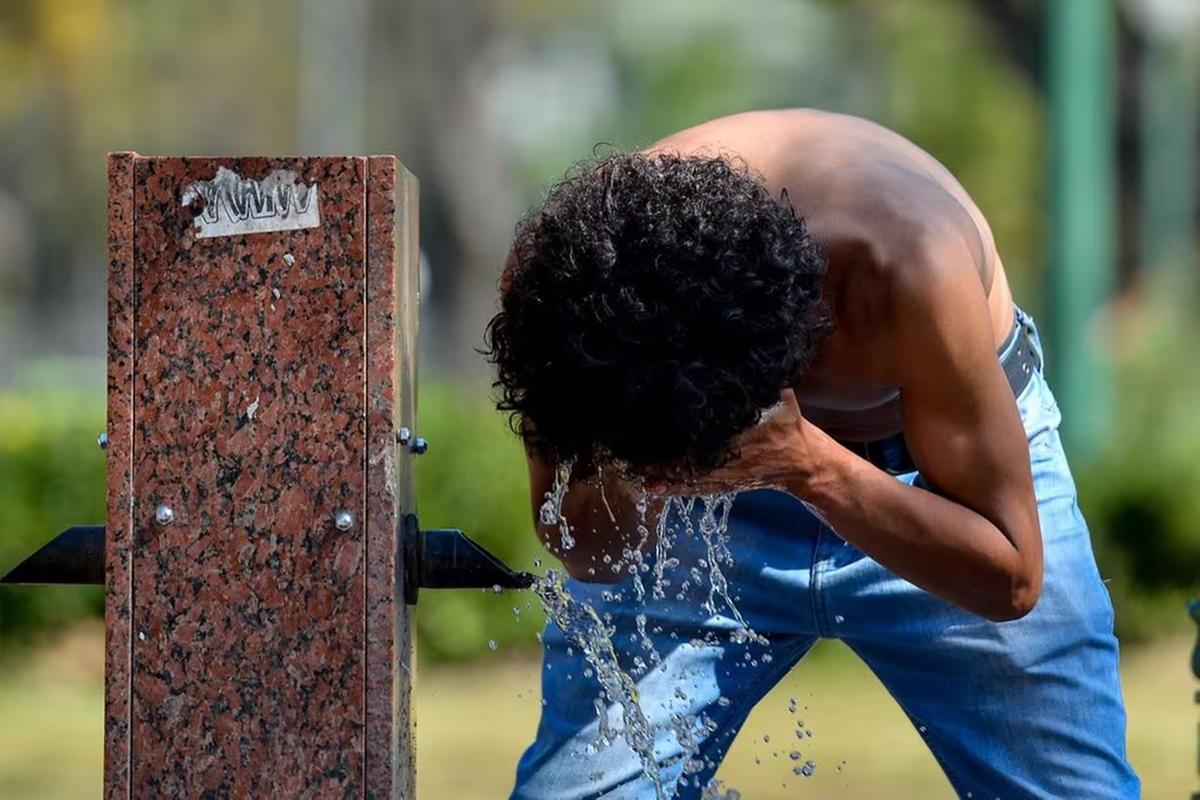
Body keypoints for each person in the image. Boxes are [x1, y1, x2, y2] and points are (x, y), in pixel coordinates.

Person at [488, 109, 1138, 799]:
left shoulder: (905, 263)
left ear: (789, 353)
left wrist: (806, 464)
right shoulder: (563, 301)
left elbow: (1011, 578)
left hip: (944, 486)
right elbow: (592, 553)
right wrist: (634, 467)